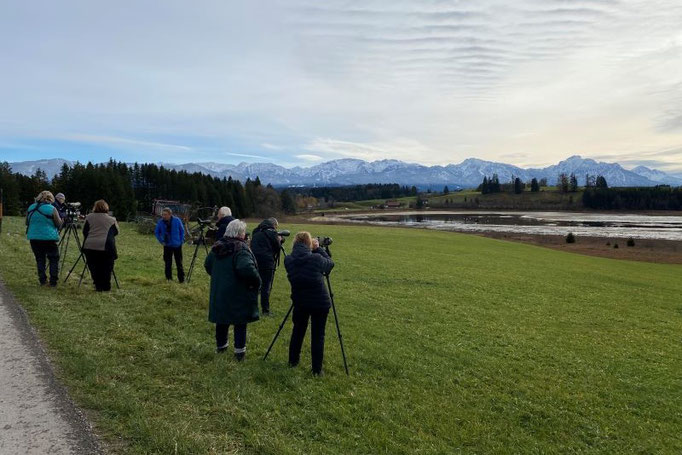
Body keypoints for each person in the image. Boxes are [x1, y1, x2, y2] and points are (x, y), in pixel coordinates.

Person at [204, 219, 261, 360]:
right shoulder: (240, 249)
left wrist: (219, 277)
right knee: (240, 321)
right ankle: (239, 352)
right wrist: (257, 281)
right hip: (238, 292)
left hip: (220, 291)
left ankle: (221, 347)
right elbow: (246, 268)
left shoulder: (217, 247)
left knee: (222, 320)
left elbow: (208, 264)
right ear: (241, 233)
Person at [285, 232, 334, 376]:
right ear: (309, 244)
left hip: (300, 301)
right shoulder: (316, 258)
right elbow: (330, 264)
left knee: (298, 331)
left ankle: (293, 361)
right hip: (319, 302)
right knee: (318, 335)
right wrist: (318, 248)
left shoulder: (288, 260)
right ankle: (317, 370)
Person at [25, 191, 62, 287]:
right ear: (51, 199)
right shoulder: (52, 209)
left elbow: (27, 222)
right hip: (49, 238)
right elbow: (58, 224)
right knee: (53, 258)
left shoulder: (31, 208)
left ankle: (42, 280)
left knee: (40, 259)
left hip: (34, 237)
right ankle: (53, 281)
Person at [82, 200, 119, 292]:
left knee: (94, 266)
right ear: (106, 207)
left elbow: (84, 231)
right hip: (106, 246)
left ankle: (98, 285)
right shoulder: (112, 219)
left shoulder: (89, 217)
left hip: (90, 246)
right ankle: (106, 286)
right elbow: (116, 232)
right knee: (107, 267)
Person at [250, 218, 282, 315]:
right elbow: (277, 247)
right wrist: (280, 240)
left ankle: (252, 308)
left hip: (254, 260)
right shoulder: (272, 232)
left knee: (254, 285)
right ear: (274, 225)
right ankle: (265, 310)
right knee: (265, 286)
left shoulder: (255, 231)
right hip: (267, 262)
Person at [154, 207, 185, 283]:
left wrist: (181, 241)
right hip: (167, 245)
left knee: (179, 263)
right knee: (168, 263)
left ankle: (181, 279)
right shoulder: (160, 222)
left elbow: (182, 231)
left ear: (170, 214)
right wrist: (161, 241)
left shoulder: (177, 220)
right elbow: (157, 232)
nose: (164, 216)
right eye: (163, 214)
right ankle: (169, 279)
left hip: (177, 245)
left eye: (165, 214)